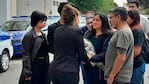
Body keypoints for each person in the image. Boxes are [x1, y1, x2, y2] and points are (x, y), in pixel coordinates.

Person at [50, 4, 89, 84]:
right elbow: (81, 53)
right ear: (75, 17)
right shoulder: (76, 31)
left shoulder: (57, 31)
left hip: (55, 69)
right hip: (69, 71)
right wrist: (86, 59)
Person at [104, 7, 134, 84]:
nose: (109, 20)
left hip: (118, 79)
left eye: (111, 17)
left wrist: (111, 76)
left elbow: (121, 57)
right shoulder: (120, 31)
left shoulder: (123, 33)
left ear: (118, 17)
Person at [19, 11, 49, 84]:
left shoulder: (43, 35)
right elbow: (26, 55)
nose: (44, 22)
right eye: (42, 21)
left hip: (44, 65)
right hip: (34, 65)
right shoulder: (29, 36)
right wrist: (27, 72)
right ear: (36, 21)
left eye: (45, 20)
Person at [84, 13, 114, 84]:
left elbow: (106, 53)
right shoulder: (88, 34)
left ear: (103, 22)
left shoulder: (109, 35)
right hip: (89, 68)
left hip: (102, 69)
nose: (94, 22)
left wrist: (92, 57)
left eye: (97, 20)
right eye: (93, 20)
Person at [127, 9, 146, 84]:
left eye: (127, 17)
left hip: (137, 65)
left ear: (133, 19)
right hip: (132, 65)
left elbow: (136, 51)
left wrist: (123, 58)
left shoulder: (138, 31)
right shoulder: (130, 29)